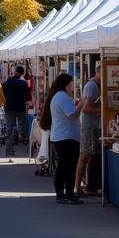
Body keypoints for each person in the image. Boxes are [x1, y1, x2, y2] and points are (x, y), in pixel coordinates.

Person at [40, 73, 82, 204]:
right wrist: (81, 105)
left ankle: (67, 193)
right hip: (66, 137)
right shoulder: (62, 97)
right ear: (66, 85)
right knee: (66, 167)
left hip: (63, 136)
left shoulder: (58, 96)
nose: (72, 87)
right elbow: (72, 114)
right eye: (71, 85)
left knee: (67, 166)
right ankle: (63, 194)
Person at [74, 67, 103, 197]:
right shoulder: (92, 86)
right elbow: (87, 108)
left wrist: (75, 113)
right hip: (89, 126)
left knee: (89, 155)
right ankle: (78, 186)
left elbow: (82, 104)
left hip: (90, 125)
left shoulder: (93, 85)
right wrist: (104, 110)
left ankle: (87, 185)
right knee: (85, 155)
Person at [2, 65, 31, 162]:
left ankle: (9, 151)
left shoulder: (8, 82)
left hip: (9, 107)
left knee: (9, 129)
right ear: (22, 73)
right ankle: (28, 146)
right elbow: (28, 97)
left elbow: (3, 94)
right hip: (20, 108)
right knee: (25, 126)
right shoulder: (23, 83)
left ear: (15, 71)